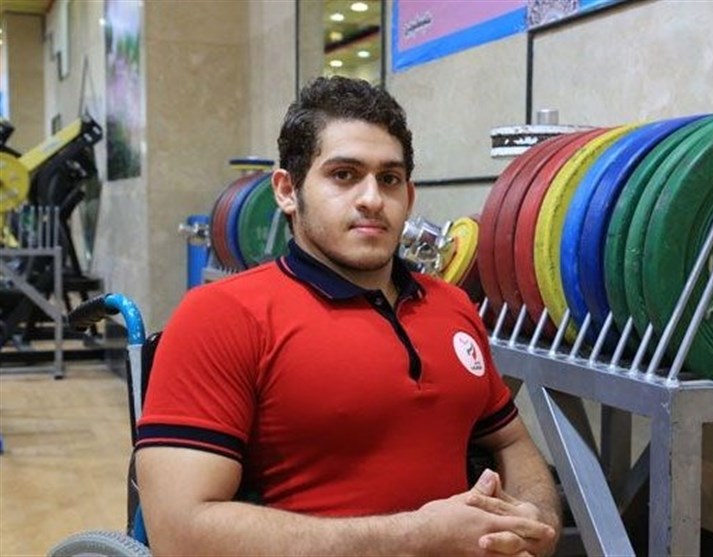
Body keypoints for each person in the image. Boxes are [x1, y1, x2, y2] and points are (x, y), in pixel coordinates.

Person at [135, 76, 562, 557]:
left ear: (409, 196)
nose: (372, 199)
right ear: (287, 191)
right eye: (343, 175)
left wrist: (536, 517)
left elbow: (511, 441)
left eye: (389, 179)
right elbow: (180, 533)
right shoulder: (222, 316)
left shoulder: (453, 306)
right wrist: (417, 537)